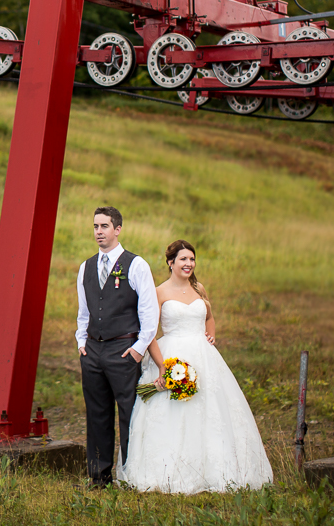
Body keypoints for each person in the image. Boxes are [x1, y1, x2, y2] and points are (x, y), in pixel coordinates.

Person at [119, 240, 273, 494]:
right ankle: (170, 469)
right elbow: (148, 333)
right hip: (172, 355)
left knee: (212, 410)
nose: (189, 264)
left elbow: (209, 317)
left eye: (192, 259)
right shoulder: (159, 292)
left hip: (204, 357)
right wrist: (163, 367)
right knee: (174, 412)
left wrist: (210, 335)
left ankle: (215, 467)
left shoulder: (198, 288)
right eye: (183, 259)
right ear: (170, 262)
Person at [76, 206, 159, 489]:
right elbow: (83, 311)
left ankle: (130, 475)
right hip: (92, 351)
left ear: (118, 229)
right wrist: (80, 342)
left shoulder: (136, 265)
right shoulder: (86, 267)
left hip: (123, 349)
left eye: (104, 226)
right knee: (97, 414)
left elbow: (149, 313)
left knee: (129, 413)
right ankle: (99, 477)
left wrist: (138, 349)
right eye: (96, 226)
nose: (99, 232)